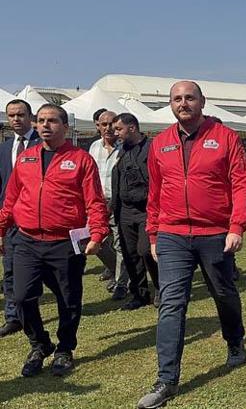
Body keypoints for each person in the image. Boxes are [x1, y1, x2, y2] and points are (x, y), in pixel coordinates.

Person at [137, 81, 246, 409]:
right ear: (170, 105)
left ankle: (234, 340)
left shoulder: (226, 138)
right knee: (172, 302)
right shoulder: (160, 144)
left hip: (215, 233)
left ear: (202, 101)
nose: (183, 103)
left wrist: (236, 226)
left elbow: (242, 183)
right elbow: (155, 193)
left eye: (190, 98)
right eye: (177, 98)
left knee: (224, 293)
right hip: (173, 235)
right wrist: (155, 234)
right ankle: (166, 380)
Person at [0, 103, 109, 377]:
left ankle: (64, 349)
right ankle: (40, 343)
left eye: (52, 121)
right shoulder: (26, 158)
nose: (45, 125)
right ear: (35, 125)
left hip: (64, 242)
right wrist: (1, 229)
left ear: (65, 126)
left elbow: (94, 201)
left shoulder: (82, 159)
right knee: (22, 297)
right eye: (41, 121)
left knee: (68, 299)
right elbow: (11, 198)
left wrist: (97, 233)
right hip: (26, 240)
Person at [110, 113, 159, 310]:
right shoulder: (120, 151)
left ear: (132, 128)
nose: (115, 133)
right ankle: (140, 294)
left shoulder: (152, 148)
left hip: (147, 210)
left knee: (146, 251)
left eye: (118, 129)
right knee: (131, 255)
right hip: (125, 211)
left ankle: (161, 289)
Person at [0, 99, 40, 338]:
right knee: (10, 270)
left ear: (30, 116)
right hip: (11, 219)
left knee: (39, 272)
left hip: (37, 219)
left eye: (20, 115)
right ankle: (13, 316)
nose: (16, 119)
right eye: (11, 115)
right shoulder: (4, 148)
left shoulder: (44, 143)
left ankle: (31, 312)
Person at [89, 110, 128, 299]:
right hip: (97, 203)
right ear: (98, 126)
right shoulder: (94, 147)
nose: (108, 128)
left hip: (119, 202)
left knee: (121, 244)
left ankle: (121, 283)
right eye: (103, 124)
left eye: (112, 123)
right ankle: (116, 271)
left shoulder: (125, 148)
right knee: (98, 242)